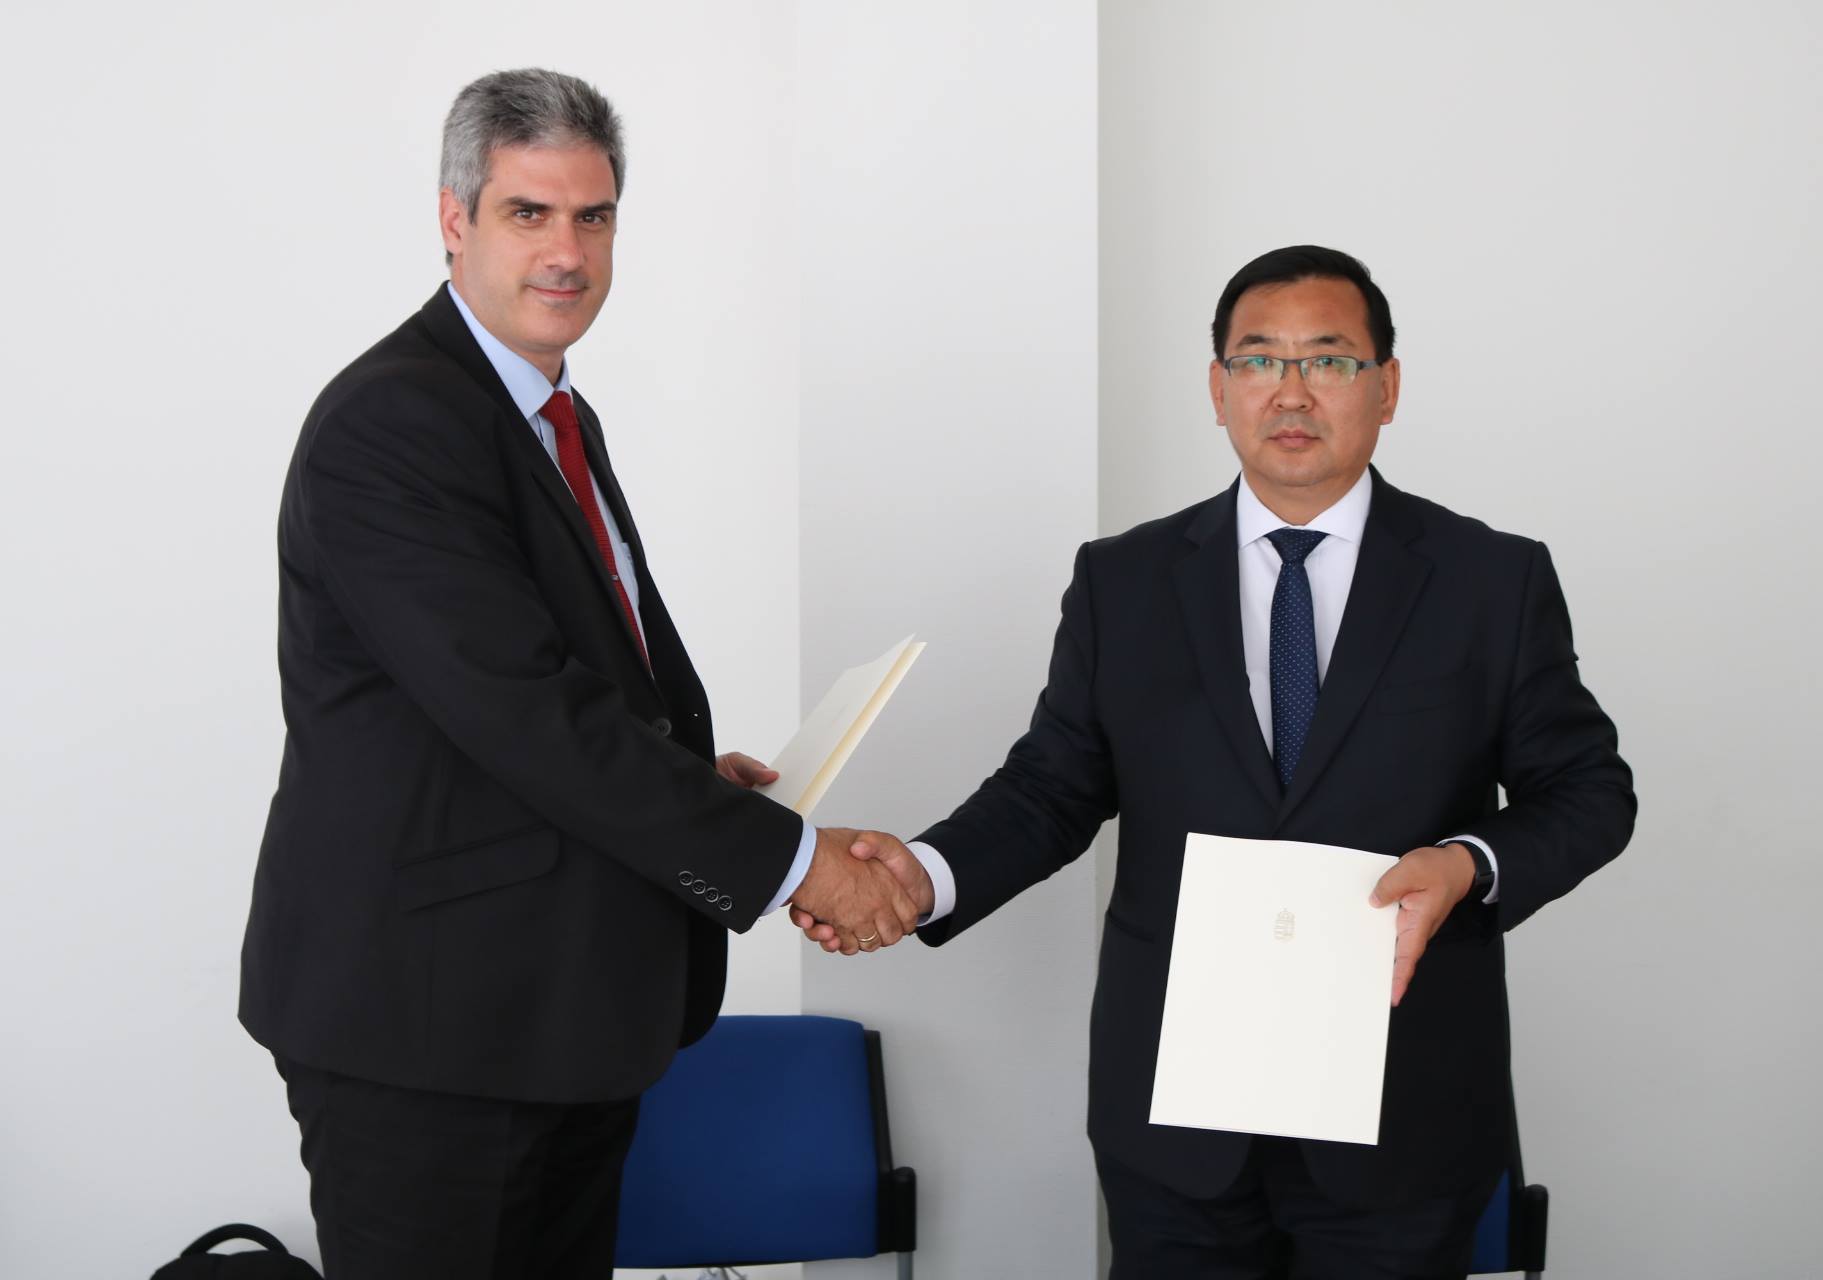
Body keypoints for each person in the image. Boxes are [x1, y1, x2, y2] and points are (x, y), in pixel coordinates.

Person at [797, 246, 1636, 1278]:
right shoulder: (1124, 580)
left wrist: (1467, 863)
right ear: (1217, 388)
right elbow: (1052, 788)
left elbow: (1589, 791)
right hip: (1177, 1113)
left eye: (1329, 359)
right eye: (1258, 360)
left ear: (1387, 388)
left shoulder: (1490, 579)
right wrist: (923, 876)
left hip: (1401, 1101)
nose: (1291, 390)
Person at [238, 68, 915, 1280]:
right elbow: (528, 713)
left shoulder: (549, 412)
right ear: (454, 219)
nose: (568, 252)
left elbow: (548, 689)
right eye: (529, 213)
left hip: (553, 1015)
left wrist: (693, 777)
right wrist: (795, 862)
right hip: (431, 1035)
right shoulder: (394, 423)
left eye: (593, 216)